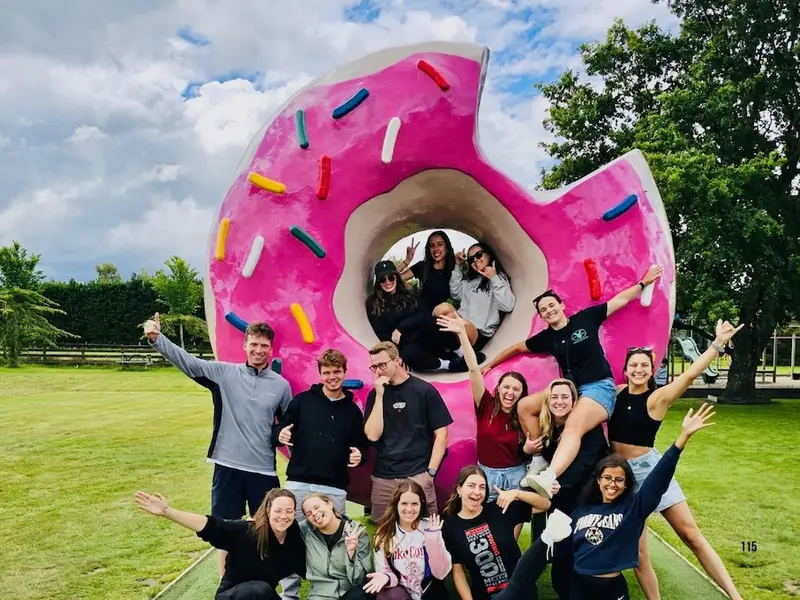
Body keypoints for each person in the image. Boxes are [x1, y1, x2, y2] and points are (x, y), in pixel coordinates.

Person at [480, 265, 664, 499]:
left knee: (573, 426)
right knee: (524, 406)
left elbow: (619, 301)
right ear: (542, 316)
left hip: (599, 387)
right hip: (572, 391)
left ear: (561, 306)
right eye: (543, 310)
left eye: (551, 306)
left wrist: (643, 283)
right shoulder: (547, 338)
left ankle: (549, 477)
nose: (548, 311)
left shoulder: (585, 319)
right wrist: (490, 365)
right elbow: (517, 347)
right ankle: (538, 460)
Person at [143, 313, 292, 573]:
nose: (258, 350)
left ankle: (265, 584)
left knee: (268, 529)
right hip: (227, 466)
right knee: (224, 530)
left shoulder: (281, 386)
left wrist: (280, 434)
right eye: (253, 344)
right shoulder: (223, 373)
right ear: (245, 345)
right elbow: (189, 363)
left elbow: (287, 424)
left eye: (264, 345)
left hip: (263, 470)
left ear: (271, 349)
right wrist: (158, 339)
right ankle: (226, 586)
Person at [610, 320, 744, 600]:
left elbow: (689, 376)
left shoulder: (657, 398)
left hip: (651, 470)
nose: (638, 369)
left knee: (691, 535)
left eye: (644, 366)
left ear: (652, 370)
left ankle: (735, 596)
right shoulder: (617, 392)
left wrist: (717, 345)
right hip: (621, 477)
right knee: (639, 551)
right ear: (625, 369)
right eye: (633, 365)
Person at [569, 404, 717, 599]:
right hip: (578, 586)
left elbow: (657, 480)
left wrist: (682, 438)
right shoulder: (582, 508)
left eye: (619, 479)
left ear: (626, 484)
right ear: (598, 480)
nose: (612, 484)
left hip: (610, 590)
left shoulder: (631, 509)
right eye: (607, 478)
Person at [272, 349, 370, 600]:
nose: (332, 377)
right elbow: (281, 427)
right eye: (327, 372)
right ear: (320, 374)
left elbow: (361, 446)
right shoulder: (303, 401)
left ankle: (337, 590)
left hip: (334, 487)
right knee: (290, 536)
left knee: (334, 541)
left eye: (336, 372)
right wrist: (280, 434)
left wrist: (359, 454)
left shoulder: (353, 411)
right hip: (299, 481)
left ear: (344, 372)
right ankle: (290, 593)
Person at [438, 312, 538, 516]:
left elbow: (525, 453)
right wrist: (462, 336)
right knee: (485, 530)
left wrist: (527, 450)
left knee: (509, 536)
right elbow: (473, 369)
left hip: (515, 477)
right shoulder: (486, 405)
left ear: (522, 393)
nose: (510, 393)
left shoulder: (523, 414)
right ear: (498, 388)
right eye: (506, 387)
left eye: (516, 389)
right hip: (486, 477)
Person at [133, 488, 305, 600]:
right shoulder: (247, 532)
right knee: (259, 590)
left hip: (265, 595)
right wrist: (167, 512)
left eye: (289, 511)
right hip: (233, 596)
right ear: (268, 511)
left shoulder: (293, 539)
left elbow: (308, 567)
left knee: (263, 591)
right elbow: (211, 525)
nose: (284, 516)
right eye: (278, 511)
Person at [532, 378, 610, 598]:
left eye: (565, 397)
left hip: (588, 503)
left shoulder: (589, 429)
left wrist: (554, 484)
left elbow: (584, 464)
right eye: (554, 397)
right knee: (563, 561)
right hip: (560, 503)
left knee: (586, 553)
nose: (559, 401)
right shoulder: (549, 430)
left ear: (575, 402)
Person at [363, 341, 453, 521]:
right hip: (384, 477)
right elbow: (372, 435)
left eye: (382, 364)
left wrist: (430, 474)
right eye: (374, 367)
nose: (379, 370)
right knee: (383, 534)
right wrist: (380, 395)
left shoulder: (423, 390)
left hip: (418, 475)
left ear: (397, 361)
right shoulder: (375, 395)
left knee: (426, 531)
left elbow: (442, 434)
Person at [440, 465, 554, 600]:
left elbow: (544, 505)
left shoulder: (499, 509)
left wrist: (516, 493)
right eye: (471, 485)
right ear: (459, 489)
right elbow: (458, 571)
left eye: (482, 487)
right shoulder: (450, 526)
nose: (477, 492)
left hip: (520, 591)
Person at [364, 480, 452, 600]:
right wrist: (386, 577)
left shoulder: (430, 528)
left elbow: (440, 573)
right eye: (404, 503)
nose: (409, 509)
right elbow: (386, 571)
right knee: (389, 595)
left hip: (429, 591)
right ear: (396, 505)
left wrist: (433, 540)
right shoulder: (384, 534)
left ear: (421, 504)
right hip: (402, 593)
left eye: (414, 503)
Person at [366, 261, 457, 372]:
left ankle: (462, 352)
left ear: (396, 277)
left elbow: (424, 313)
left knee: (435, 322)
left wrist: (401, 328)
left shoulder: (409, 293)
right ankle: (447, 365)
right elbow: (382, 333)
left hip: (423, 336)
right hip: (406, 345)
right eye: (382, 279)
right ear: (378, 283)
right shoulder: (373, 304)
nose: (387, 282)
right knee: (408, 352)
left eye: (391, 277)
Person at [438, 241, 515, 360]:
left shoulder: (498, 278)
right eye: (471, 259)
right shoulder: (471, 281)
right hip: (461, 324)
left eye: (479, 255)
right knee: (443, 308)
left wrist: (493, 278)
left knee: (454, 320)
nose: (475, 260)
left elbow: (508, 305)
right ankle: (455, 351)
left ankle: (462, 354)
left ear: (488, 255)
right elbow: (455, 293)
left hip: (478, 333)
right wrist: (457, 265)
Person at [300, 493, 371, 600]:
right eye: (308, 513)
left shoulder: (356, 532)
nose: (314, 513)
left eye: (317, 507)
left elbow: (360, 580)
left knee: (358, 595)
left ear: (329, 504)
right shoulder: (305, 531)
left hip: (348, 593)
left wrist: (351, 555)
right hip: (319, 595)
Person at [398, 231, 457, 310]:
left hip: (441, 317)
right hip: (419, 314)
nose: (435, 249)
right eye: (432, 246)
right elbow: (393, 278)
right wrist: (407, 261)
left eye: (440, 244)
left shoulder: (453, 270)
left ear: (447, 248)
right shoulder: (422, 266)